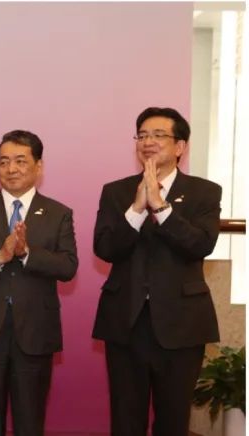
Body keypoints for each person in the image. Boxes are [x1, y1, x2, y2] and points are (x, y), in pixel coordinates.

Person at [93, 107, 221, 436]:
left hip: (182, 323)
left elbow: (200, 244)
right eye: (142, 135)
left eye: (158, 135)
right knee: (126, 419)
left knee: (173, 420)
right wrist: (137, 208)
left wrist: (161, 207)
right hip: (126, 320)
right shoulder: (116, 191)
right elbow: (105, 249)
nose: (148, 142)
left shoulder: (205, 192)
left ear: (180, 147)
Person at [0, 130, 78, 436]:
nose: (11, 169)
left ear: (38, 166)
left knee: (30, 422)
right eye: (4, 161)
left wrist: (27, 253)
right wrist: (0, 256)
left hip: (35, 331)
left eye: (20, 161)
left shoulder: (58, 213)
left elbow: (67, 267)